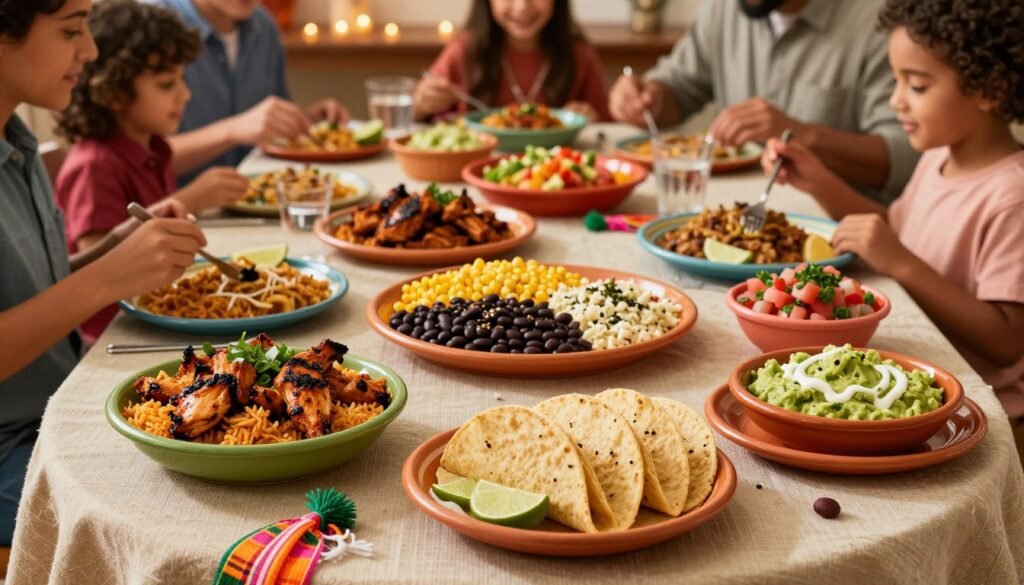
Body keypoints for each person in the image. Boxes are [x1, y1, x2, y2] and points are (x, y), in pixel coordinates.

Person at [0, 0, 206, 549]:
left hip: (60, 406)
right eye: (72, 30)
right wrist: (107, 277)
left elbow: (30, 293)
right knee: (192, 509)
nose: (90, 50)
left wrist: (116, 247)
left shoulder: (16, 141)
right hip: (13, 449)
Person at [760, 0, 1024, 419]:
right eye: (896, 81)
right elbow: (891, 232)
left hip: (980, 406)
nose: (896, 101)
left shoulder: (1012, 195)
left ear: (989, 90)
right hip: (909, 376)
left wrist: (899, 263)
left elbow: (1007, 342)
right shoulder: (937, 158)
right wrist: (818, 181)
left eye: (916, 86)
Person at [54, 0, 248, 342]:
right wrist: (189, 198)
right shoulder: (93, 166)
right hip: (115, 334)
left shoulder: (154, 147)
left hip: (157, 314)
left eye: (182, 79)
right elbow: (99, 270)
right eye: (166, 84)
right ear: (114, 93)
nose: (185, 95)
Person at [609, 0, 918, 202]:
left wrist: (799, 136)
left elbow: (906, 158)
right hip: (738, 212)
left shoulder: (880, 22)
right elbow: (679, 87)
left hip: (842, 234)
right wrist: (648, 98)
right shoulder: (725, 8)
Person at [150, 0, 349, 183]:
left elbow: (266, 132)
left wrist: (304, 120)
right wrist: (233, 131)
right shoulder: (151, 26)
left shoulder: (265, 27)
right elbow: (142, 162)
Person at [413, 0, 609, 122]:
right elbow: (415, 113)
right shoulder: (463, 50)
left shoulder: (580, 55)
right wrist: (421, 104)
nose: (522, 6)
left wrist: (590, 118)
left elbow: (608, 125)